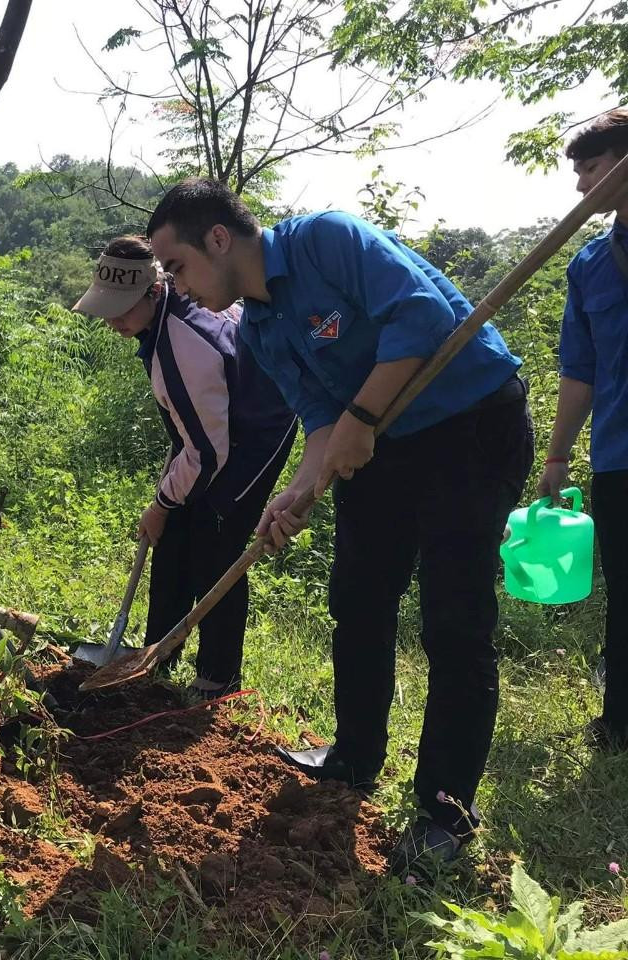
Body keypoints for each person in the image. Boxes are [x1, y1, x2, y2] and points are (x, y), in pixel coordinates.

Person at [146, 179, 533, 875]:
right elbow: (321, 417)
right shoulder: (260, 328)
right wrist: (297, 489)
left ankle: (445, 810)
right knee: (357, 600)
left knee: (452, 619)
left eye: (175, 267)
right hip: (384, 439)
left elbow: (421, 317)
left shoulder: (326, 239)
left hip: (470, 424)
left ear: (217, 239)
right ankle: (354, 757)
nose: (177, 286)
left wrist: (360, 421)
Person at [72, 236, 296, 697]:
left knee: (216, 543)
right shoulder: (162, 317)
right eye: (108, 308)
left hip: (257, 431)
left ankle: (218, 678)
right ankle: (157, 652)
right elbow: (195, 433)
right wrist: (169, 504)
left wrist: (160, 502)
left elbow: (208, 454)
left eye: (122, 309)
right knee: (174, 533)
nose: (114, 321)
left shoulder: (183, 345)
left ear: (154, 291)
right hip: (217, 428)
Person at [538, 107, 628, 751]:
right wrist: (558, 457)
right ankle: (620, 720)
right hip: (620, 453)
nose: (579, 189)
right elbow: (580, 372)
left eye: (591, 170)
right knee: (623, 589)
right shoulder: (592, 264)